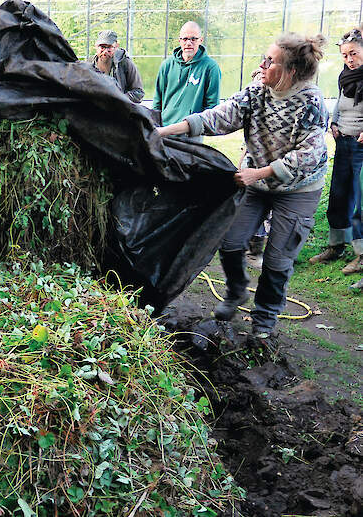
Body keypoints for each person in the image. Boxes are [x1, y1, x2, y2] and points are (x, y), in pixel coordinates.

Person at [156, 32, 328, 347]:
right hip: (257, 182)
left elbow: (308, 155)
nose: (261, 65)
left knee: (277, 260)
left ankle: (263, 321)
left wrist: (256, 173)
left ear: (289, 72)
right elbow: (218, 117)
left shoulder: (311, 102)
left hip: (298, 189)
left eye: (271, 61)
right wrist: (164, 132)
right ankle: (236, 289)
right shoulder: (258, 91)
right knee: (231, 240)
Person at [308, 26, 363, 291]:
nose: (350, 59)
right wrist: (333, 121)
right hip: (344, 143)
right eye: (345, 55)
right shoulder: (346, 78)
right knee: (339, 195)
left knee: (360, 202)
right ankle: (336, 246)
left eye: (354, 54)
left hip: (362, 148)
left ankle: (361, 255)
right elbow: (340, 104)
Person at [153, 21, 222, 142]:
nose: (188, 43)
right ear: (179, 40)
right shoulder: (167, 65)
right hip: (164, 131)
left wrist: (197, 126)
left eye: (193, 39)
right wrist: (154, 125)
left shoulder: (210, 67)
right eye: (185, 39)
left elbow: (212, 107)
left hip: (190, 135)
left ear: (200, 40)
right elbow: (157, 100)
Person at [88, 30, 144, 103]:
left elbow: (138, 93)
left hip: (120, 110)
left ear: (116, 46)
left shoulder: (125, 63)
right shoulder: (89, 64)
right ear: (96, 46)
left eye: (109, 47)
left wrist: (119, 99)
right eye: (102, 47)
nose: (105, 51)